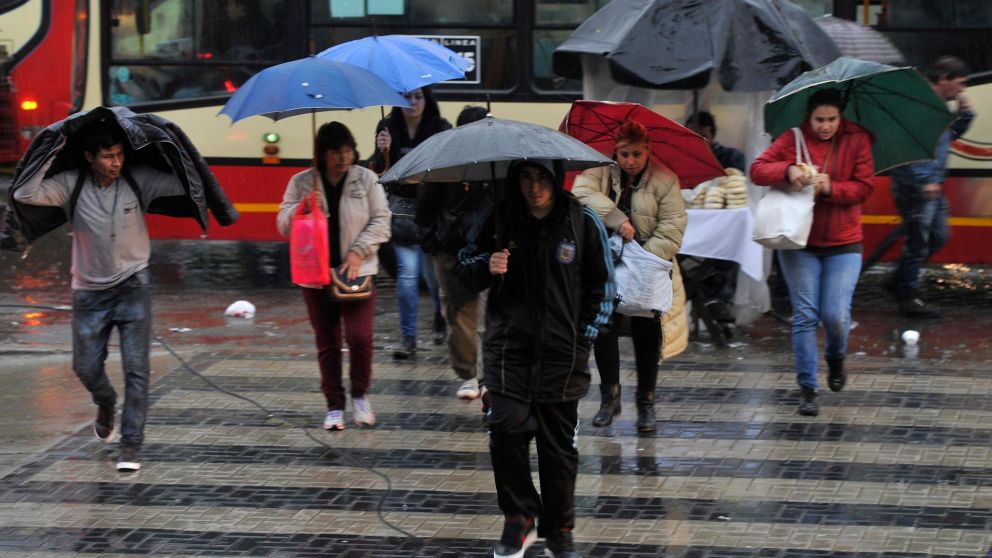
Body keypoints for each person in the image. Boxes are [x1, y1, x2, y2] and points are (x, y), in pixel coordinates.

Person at [456, 161, 613, 558]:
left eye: (542, 177)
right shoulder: (498, 219)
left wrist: (585, 338)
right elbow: (462, 269)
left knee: (558, 448)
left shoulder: (582, 220)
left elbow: (604, 285)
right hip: (508, 349)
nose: (534, 187)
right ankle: (519, 518)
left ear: (555, 178)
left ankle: (559, 529)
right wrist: (486, 267)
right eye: (525, 178)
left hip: (563, 351)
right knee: (506, 428)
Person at [12, 127, 189, 472]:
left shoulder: (138, 180)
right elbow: (24, 192)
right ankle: (106, 402)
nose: (116, 163)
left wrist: (172, 152)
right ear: (90, 157)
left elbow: (185, 185)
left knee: (137, 370)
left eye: (120, 155)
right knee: (85, 367)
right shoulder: (71, 184)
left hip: (134, 286)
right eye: (108, 156)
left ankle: (131, 446)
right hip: (89, 293)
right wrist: (51, 151)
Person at [750, 88, 874, 417]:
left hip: (845, 242)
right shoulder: (793, 138)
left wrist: (831, 187)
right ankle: (808, 387)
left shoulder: (858, 139)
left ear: (841, 116)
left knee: (835, 316)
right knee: (805, 315)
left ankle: (835, 357)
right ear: (809, 117)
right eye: (819, 119)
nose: (825, 126)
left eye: (832, 119)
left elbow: (865, 187)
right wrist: (788, 170)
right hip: (797, 242)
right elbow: (758, 169)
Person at [571, 120, 689, 432]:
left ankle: (646, 401)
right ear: (615, 151)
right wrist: (616, 218)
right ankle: (609, 397)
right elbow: (580, 191)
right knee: (604, 328)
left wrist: (642, 260)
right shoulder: (602, 170)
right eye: (624, 154)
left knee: (647, 332)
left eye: (637, 154)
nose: (630, 161)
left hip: (649, 265)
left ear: (648, 151)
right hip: (607, 267)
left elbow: (673, 228)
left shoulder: (665, 180)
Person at [277, 122, 390, 431]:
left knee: (360, 337)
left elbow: (382, 221)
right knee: (327, 340)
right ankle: (334, 406)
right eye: (335, 152)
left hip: (357, 271)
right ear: (322, 154)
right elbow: (283, 224)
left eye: (348, 150)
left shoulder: (366, 179)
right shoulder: (302, 182)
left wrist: (359, 251)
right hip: (315, 274)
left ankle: (361, 395)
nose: (343, 157)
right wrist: (301, 208)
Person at [887, 56, 975, 318]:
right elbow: (907, 146)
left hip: (932, 183)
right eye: (959, 83)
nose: (962, 90)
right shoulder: (919, 105)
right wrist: (925, 179)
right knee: (919, 241)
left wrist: (965, 115)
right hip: (916, 185)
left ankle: (899, 280)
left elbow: (947, 137)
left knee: (939, 236)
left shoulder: (936, 105)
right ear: (944, 79)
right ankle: (907, 296)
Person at [415, 105, 492, 401]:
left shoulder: (496, 164)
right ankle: (469, 372)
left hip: (488, 249)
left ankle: (486, 375)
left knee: (487, 314)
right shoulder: (443, 166)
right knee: (459, 315)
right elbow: (425, 210)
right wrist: (434, 243)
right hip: (451, 251)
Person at [368, 86, 451, 358]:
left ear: (427, 100)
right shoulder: (387, 127)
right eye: (406, 97)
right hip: (402, 212)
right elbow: (379, 171)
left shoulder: (440, 127)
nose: (412, 103)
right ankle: (408, 337)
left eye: (418, 97)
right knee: (406, 275)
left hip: (432, 213)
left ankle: (440, 318)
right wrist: (382, 151)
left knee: (434, 278)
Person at [684, 111, 748, 323]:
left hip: (721, 227)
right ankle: (681, 295)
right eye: (693, 136)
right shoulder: (679, 160)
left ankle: (720, 299)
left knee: (731, 246)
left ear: (713, 135)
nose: (701, 142)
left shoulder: (732, 158)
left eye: (704, 136)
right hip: (685, 228)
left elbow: (740, 191)